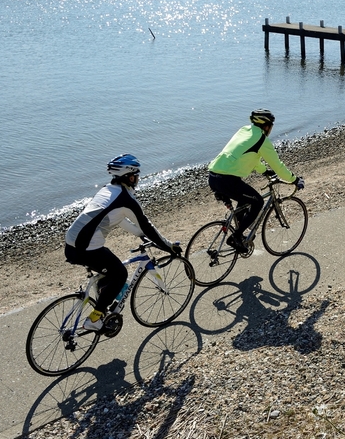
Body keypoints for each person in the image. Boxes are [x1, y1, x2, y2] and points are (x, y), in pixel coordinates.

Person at [65, 154, 182, 331]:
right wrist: (168, 246)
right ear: (128, 176)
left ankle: (103, 293)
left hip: (71, 242)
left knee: (109, 270)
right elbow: (148, 226)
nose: (137, 179)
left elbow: (118, 219)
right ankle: (94, 319)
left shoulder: (107, 190)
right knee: (120, 274)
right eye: (135, 175)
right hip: (87, 248)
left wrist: (139, 234)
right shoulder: (126, 199)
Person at [208, 109, 304, 251]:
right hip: (227, 180)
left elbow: (248, 155)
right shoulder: (262, 140)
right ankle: (236, 238)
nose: (271, 129)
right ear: (266, 126)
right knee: (257, 201)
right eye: (271, 125)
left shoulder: (245, 130)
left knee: (245, 201)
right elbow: (278, 166)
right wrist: (294, 180)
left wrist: (264, 170)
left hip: (213, 175)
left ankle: (240, 234)